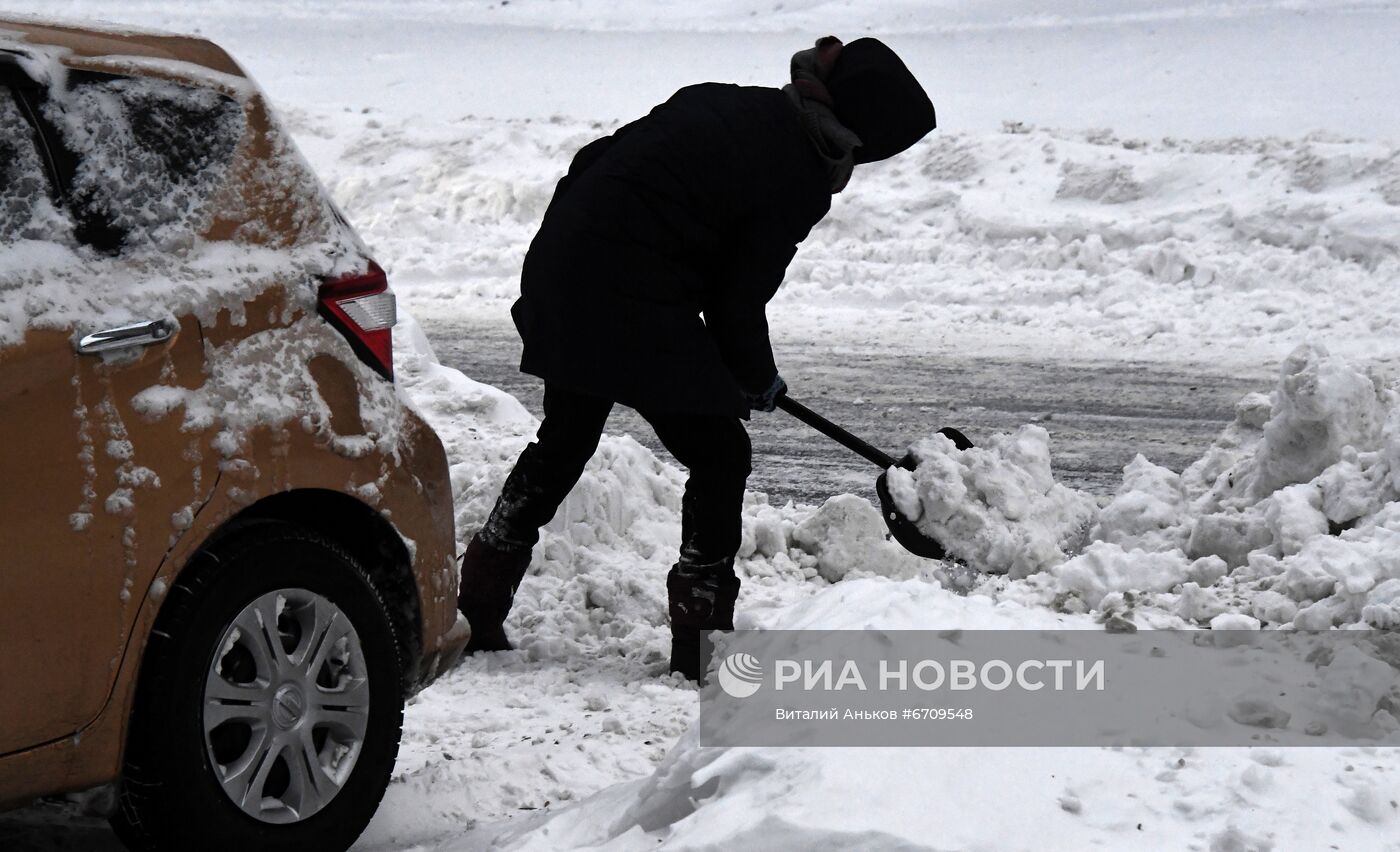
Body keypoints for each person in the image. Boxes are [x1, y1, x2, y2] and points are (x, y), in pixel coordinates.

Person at [457, 36, 936, 681]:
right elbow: (737, 300)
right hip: (630, 291)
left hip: (565, 266)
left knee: (566, 437)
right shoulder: (796, 171)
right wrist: (756, 376)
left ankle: (475, 606)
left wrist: (588, 262)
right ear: (861, 135)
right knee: (721, 454)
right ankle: (701, 643)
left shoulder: (727, 103)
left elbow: (598, 160)